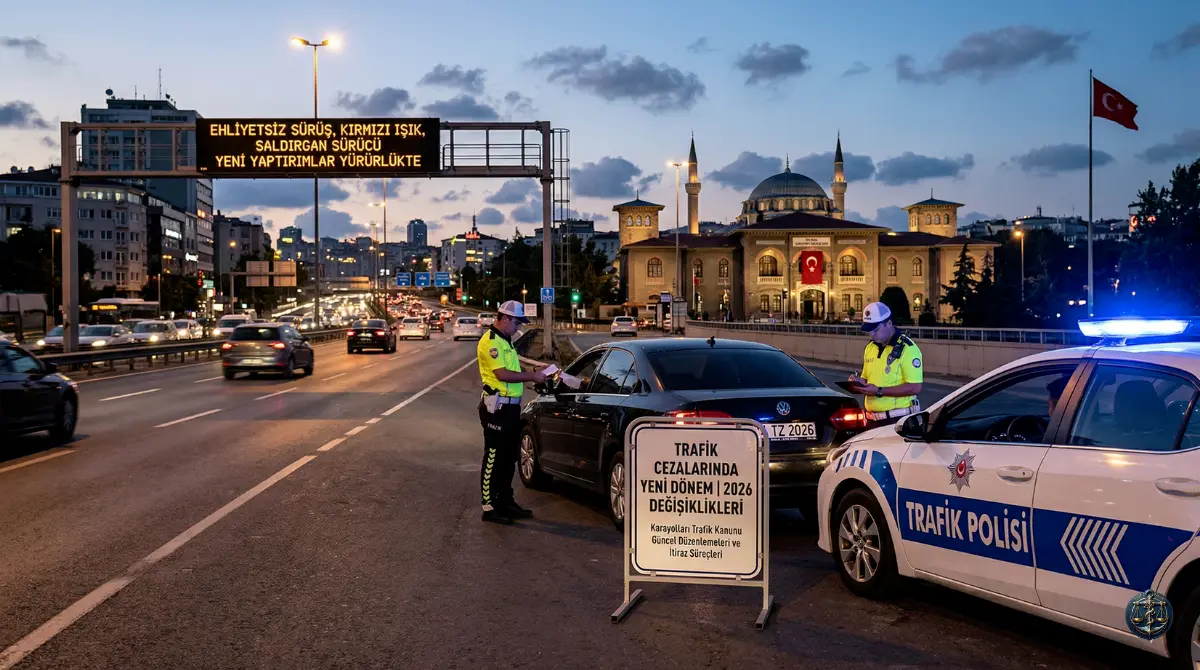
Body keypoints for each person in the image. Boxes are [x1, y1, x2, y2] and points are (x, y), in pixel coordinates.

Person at [477, 300, 548, 525]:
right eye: (517, 322)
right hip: (495, 408)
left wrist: (534, 371)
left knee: (509, 457)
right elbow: (502, 374)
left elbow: (514, 370)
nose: (518, 327)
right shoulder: (491, 342)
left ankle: (505, 501)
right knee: (493, 457)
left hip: (510, 407)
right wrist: (532, 377)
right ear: (505, 318)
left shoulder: (506, 341)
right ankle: (489, 506)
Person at [847, 302, 924, 428]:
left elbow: (915, 387)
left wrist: (879, 391)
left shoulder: (908, 349)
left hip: (897, 421)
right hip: (871, 421)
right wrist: (856, 383)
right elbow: (867, 379)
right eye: (869, 330)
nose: (872, 334)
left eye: (876, 329)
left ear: (888, 323)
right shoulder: (870, 347)